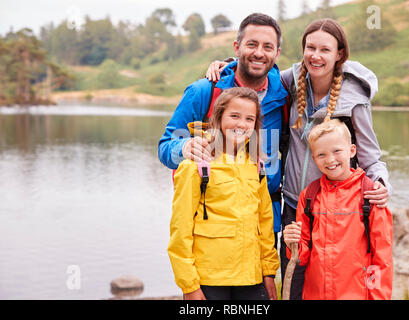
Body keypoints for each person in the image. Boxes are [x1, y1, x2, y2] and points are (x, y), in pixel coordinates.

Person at [206, 18, 392, 299]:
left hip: (338, 208)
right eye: (310, 48)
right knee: (294, 285)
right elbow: (256, 74)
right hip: (296, 206)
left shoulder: (354, 96)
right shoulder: (290, 81)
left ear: (339, 53)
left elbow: (370, 156)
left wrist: (380, 183)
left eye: (325, 50)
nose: (316, 56)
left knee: (340, 282)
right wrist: (230, 64)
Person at [158, 13, 288, 243]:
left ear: (277, 54)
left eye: (268, 47)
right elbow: (165, 148)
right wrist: (184, 147)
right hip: (212, 229)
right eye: (251, 44)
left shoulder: (286, 96)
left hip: (263, 226)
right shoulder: (204, 92)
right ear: (237, 47)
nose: (259, 52)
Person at [167, 87, 279, 300]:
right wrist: (189, 285)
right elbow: (180, 230)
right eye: (234, 116)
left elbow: (264, 223)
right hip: (210, 279)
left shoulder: (256, 166)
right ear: (219, 117)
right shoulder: (195, 165)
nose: (241, 124)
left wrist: (269, 272)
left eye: (249, 119)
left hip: (251, 278)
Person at [283, 119, 393, 299]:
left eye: (337, 151)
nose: (330, 160)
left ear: (352, 151)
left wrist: (377, 296)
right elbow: (302, 256)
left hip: (356, 294)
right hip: (314, 294)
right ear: (313, 158)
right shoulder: (309, 196)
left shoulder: (370, 195)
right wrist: (292, 243)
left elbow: (382, 259)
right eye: (321, 155)